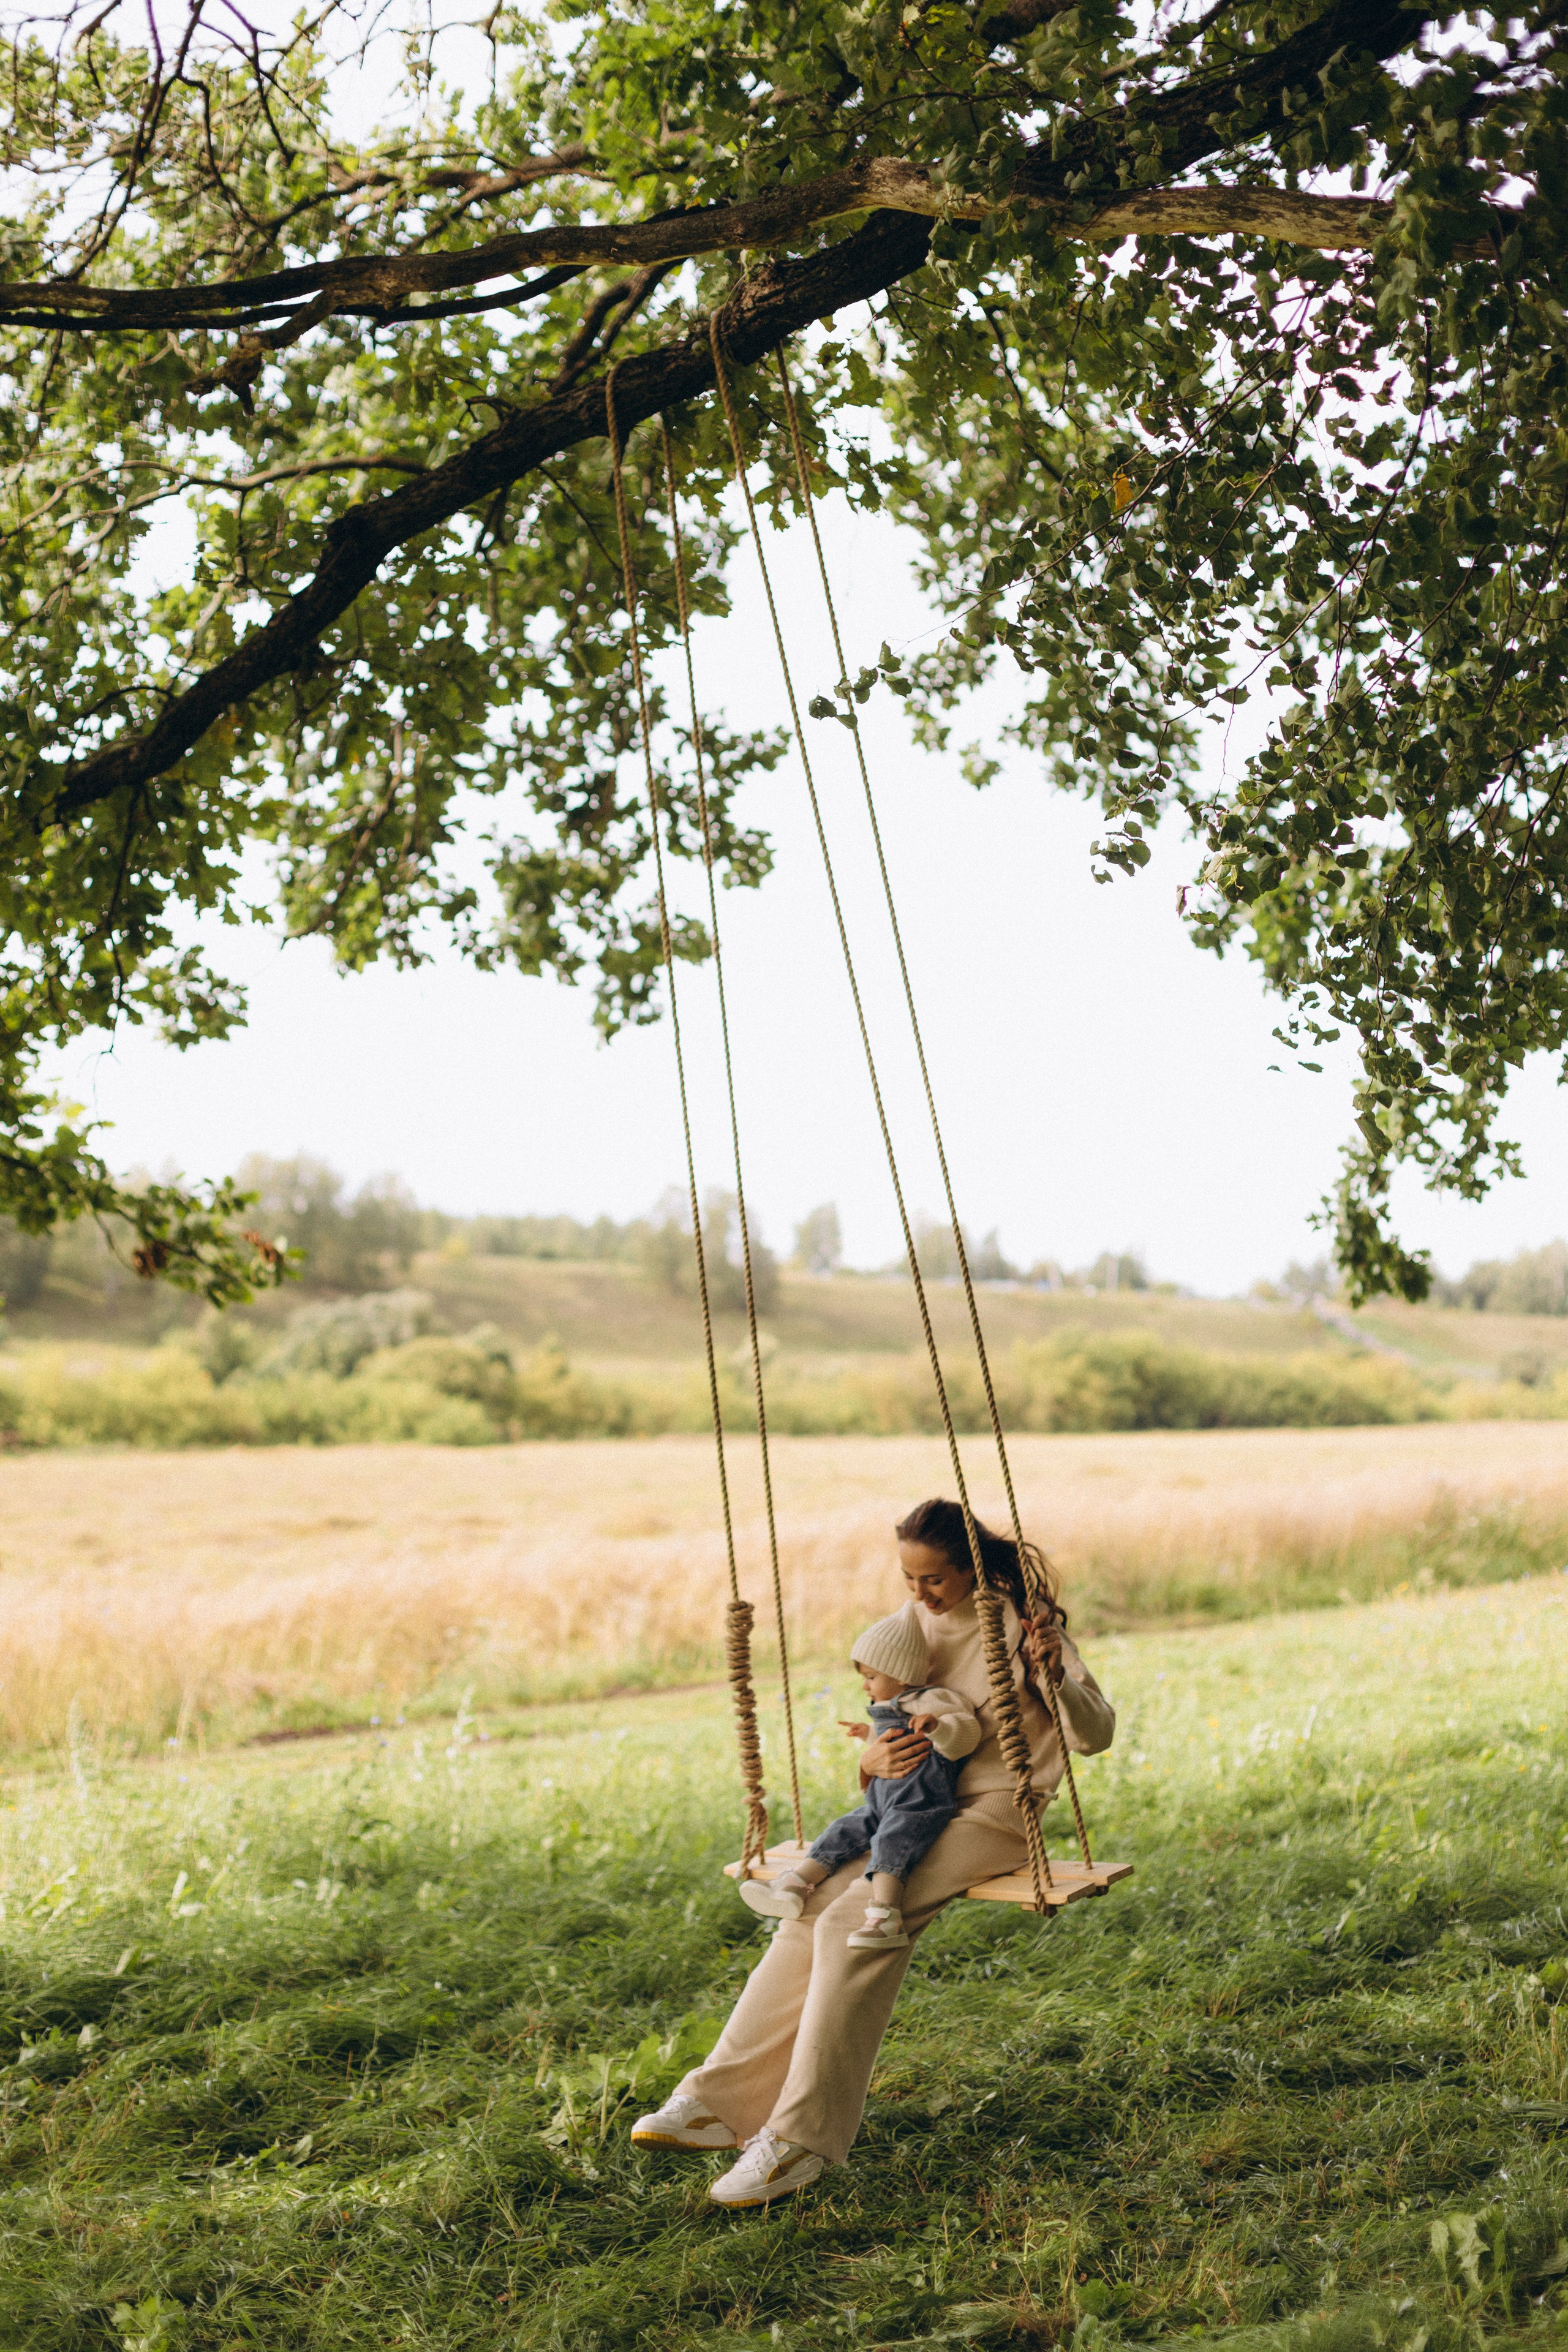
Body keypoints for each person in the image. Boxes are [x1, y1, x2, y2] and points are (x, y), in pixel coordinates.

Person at [631, 1495, 1116, 2209]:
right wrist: (877, 1760)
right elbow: (891, 1725)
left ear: (969, 1569)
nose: (919, 1594)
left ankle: (799, 2140)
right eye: (908, 1579)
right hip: (912, 1810)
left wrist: (1054, 1675)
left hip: (994, 1815)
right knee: (807, 1914)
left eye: (934, 1581)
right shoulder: (909, 1628)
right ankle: (714, 2104)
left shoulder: (1021, 1629)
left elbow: (1094, 1735)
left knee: (852, 1926)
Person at [738, 1602, 981, 1951]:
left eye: (871, 1677)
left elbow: (965, 1734)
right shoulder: (887, 1710)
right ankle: (794, 1884)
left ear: (898, 1674)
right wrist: (867, 1735)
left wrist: (937, 1727)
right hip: (881, 1802)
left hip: (919, 1802)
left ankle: (885, 1916)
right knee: (842, 1831)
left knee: (890, 1842)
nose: (865, 1686)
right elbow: (889, 1745)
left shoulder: (935, 1699)